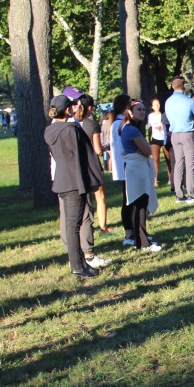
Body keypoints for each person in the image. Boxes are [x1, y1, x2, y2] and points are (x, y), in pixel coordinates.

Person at [44, 95, 106, 278]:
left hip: (61, 179)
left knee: (70, 224)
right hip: (75, 181)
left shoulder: (50, 130)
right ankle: (77, 266)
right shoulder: (71, 130)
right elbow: (84, 156)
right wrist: (93, 179)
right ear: (67, 109)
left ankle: (79, 263)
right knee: (74, 225)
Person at [119, 100, 161, 251]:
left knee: (138, 204)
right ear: (130, 112)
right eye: (138, 110)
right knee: (139, 205)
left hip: (135, 167)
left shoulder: (128, 127)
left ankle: (140, 239)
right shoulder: (131, 129)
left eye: (143, 109)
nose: (142, 112)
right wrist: (146, 148)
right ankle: (143, 243)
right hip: (136, 168)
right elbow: (148, 150)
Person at [165, 76, 194, 203]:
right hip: (187, 134)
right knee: (190, 164)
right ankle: (192, 194)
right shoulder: (189, 101)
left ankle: (179, 194)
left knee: (178, 164)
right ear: (183, 86)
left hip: (174, 134)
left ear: (172, 86)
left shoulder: (168, 102)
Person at [76, 95, 111, 235]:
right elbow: (97, 150)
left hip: (77, 164)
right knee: (100, 196)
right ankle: (103, 227)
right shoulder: (92, 125)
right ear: (90, 108)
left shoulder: (72, 123)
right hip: (92, 164)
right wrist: (105, 148)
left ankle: (82, 227)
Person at [107, 94, 135, 246]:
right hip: (126, 164)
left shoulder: (115, 123)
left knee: (129, 199)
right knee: (129, 201)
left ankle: (131, 233)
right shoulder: (121, 124)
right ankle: (129, 234)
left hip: (122, 164)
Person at [146, 98, 173, 187]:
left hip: (164, 139)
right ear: (152, 106)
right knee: (155, 160)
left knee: (168, 159)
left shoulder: (163, 115)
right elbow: (150, 128)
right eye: (155, 104)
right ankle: (155, 180)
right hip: (155, 139)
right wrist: (149, 138)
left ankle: (170, 179)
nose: (157, 106)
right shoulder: (150, 116)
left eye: (158, 104)